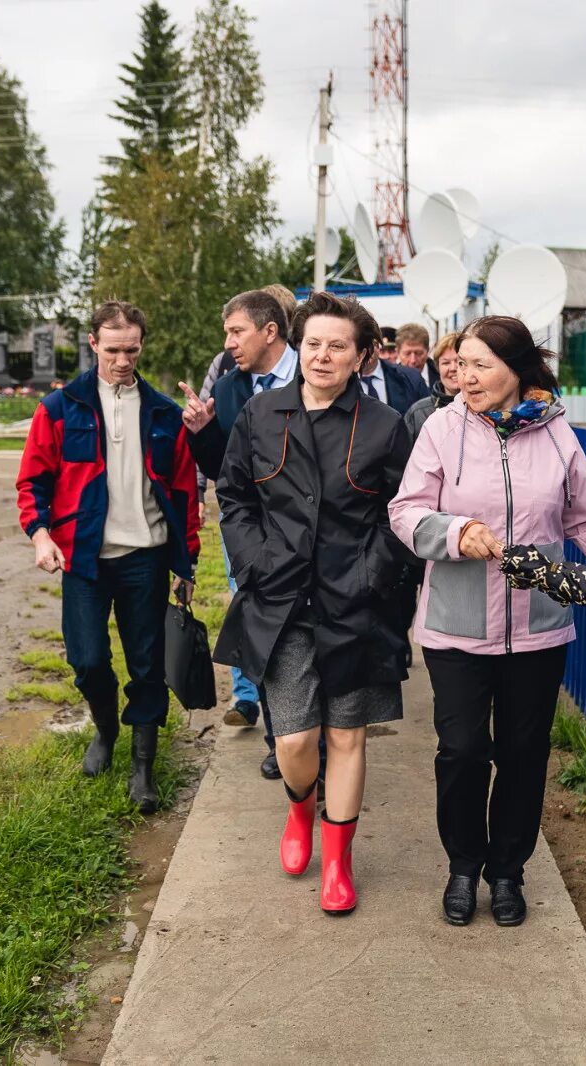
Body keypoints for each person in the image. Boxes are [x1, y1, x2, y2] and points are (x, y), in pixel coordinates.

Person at [388, 315, 586, 927]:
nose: (464, 377)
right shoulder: (443, 428)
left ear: (516, 370)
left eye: (480, 366)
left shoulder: (555, 433)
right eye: (461, 364)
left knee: (525, 752)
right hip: (457, 625)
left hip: (539, 626)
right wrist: (456, 532)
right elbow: (405, 511)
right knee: (464, 750)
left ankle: (507, 872)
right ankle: (462, 865)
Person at [214, 291, 413, 915]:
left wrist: (370, 576)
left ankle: (339, 860)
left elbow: (400, 513)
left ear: (361, 357)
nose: (323, 356)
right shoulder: (260, 414)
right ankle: (300, 810)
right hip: (280, 602)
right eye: (315, 344)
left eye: (338, 346)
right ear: (299, 345)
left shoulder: (384, 427)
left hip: (356, 608)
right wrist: (254, 563)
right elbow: (235, 495)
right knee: (296, 741)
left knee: (348, 737)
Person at [16, 300, 201, 815]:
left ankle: (143, 768)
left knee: (146, 666)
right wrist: (40, 536)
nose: (123, 360)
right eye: (113, 350)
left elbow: (185, 493)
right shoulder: (59, 408)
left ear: (142, 346)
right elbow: (33, 481)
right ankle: (104, 730)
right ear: (93, 343)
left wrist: (186, 565)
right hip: (84, 561)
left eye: (133, 350)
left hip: (146, 558)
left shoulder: (164, 412)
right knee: (88, 660)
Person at [179, 290, 303, 780]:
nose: (227, 343)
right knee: (265, 637)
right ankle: (280, 741)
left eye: (236, 332)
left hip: (315, 533)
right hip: (253, 539)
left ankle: (323, 741)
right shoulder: (230, 389)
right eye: (227, 332)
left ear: (269, 331)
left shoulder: (312, 373)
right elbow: (223, 469)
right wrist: (204, 432)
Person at [356, 331, 431, 416]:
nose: (364, 351)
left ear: (377, 345)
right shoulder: (341, 382)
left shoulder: (411, 378)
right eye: (359, 345)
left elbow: (425, 416)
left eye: (368, 344)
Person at [403, 330, 461, 440]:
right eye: (446, 363)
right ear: (437, 367)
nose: (453, 368)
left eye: (459, 361)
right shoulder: (418, 413)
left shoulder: (485, 409)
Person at [395, 322, 436, 389]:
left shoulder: (442, 377)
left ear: (428, 351)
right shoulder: (389, 380)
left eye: (419, 353)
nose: (413, 360)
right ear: (398, 352)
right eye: (407, 354)